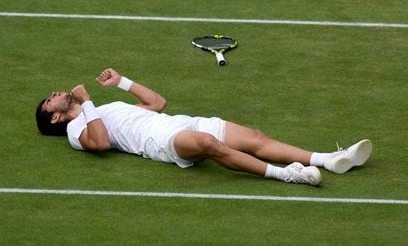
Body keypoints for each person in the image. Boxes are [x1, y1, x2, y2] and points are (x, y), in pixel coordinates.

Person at [35, 68, 373, 186]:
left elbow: (157, 103)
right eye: (48, 101)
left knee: (254, 137)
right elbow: (102, 142)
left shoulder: (103, 108)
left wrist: (122, 82)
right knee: (212, 146)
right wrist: (88, 101)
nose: (53, 95)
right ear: (54, 117)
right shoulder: (74, 131)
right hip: (161, 141)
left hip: (175, 122)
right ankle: (287, 174)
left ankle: (327, 159)